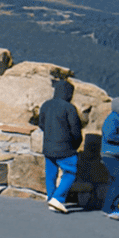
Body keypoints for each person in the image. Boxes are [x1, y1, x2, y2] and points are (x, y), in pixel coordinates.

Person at [38, 77, 83, 213]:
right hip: (65, 149)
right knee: (70, 173)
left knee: (50, 173)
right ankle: (57, 199)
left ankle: (51, 197)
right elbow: (75, 131)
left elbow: (41, 124)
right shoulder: (69, 108)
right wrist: (76, 145)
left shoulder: (46, 105)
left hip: (48, 147)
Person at [100, 95, 119, 221]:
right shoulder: (113, 118)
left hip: (115, 155)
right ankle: (111, 209)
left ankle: (108, 207)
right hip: (110, 155)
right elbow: (109, 135)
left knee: (115, 181)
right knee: (118, 182)